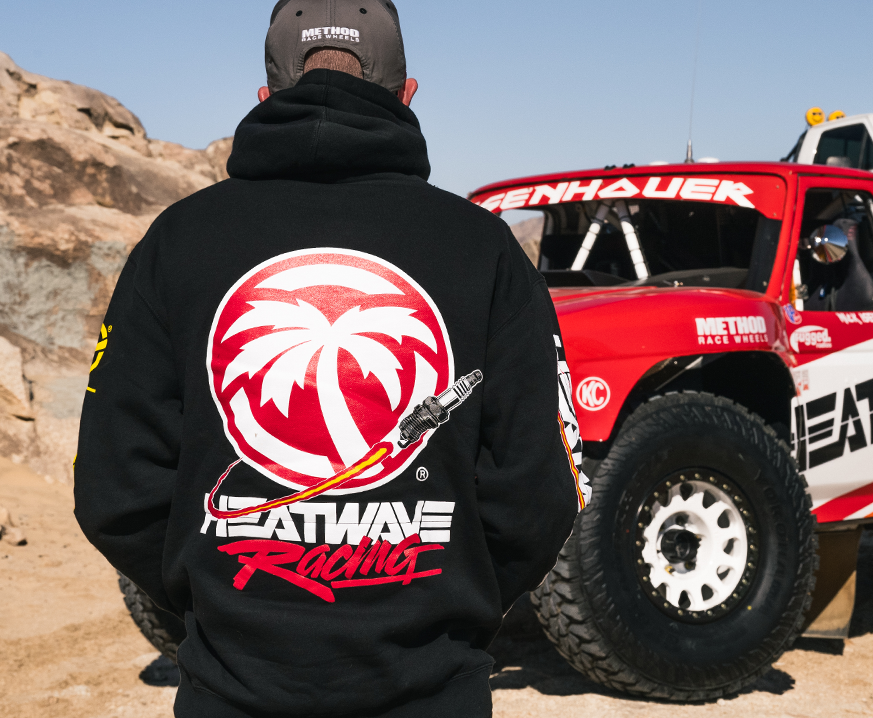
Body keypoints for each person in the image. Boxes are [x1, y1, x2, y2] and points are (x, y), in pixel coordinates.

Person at [73, 1, 589, 716]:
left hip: (229, 693)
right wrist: (449, 602)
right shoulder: (487, 251)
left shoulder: (175, 243)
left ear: (265, 98)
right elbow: (541, 492)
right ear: (408, 96)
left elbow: (114, 487)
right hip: (432, 694)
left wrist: (222, 600)